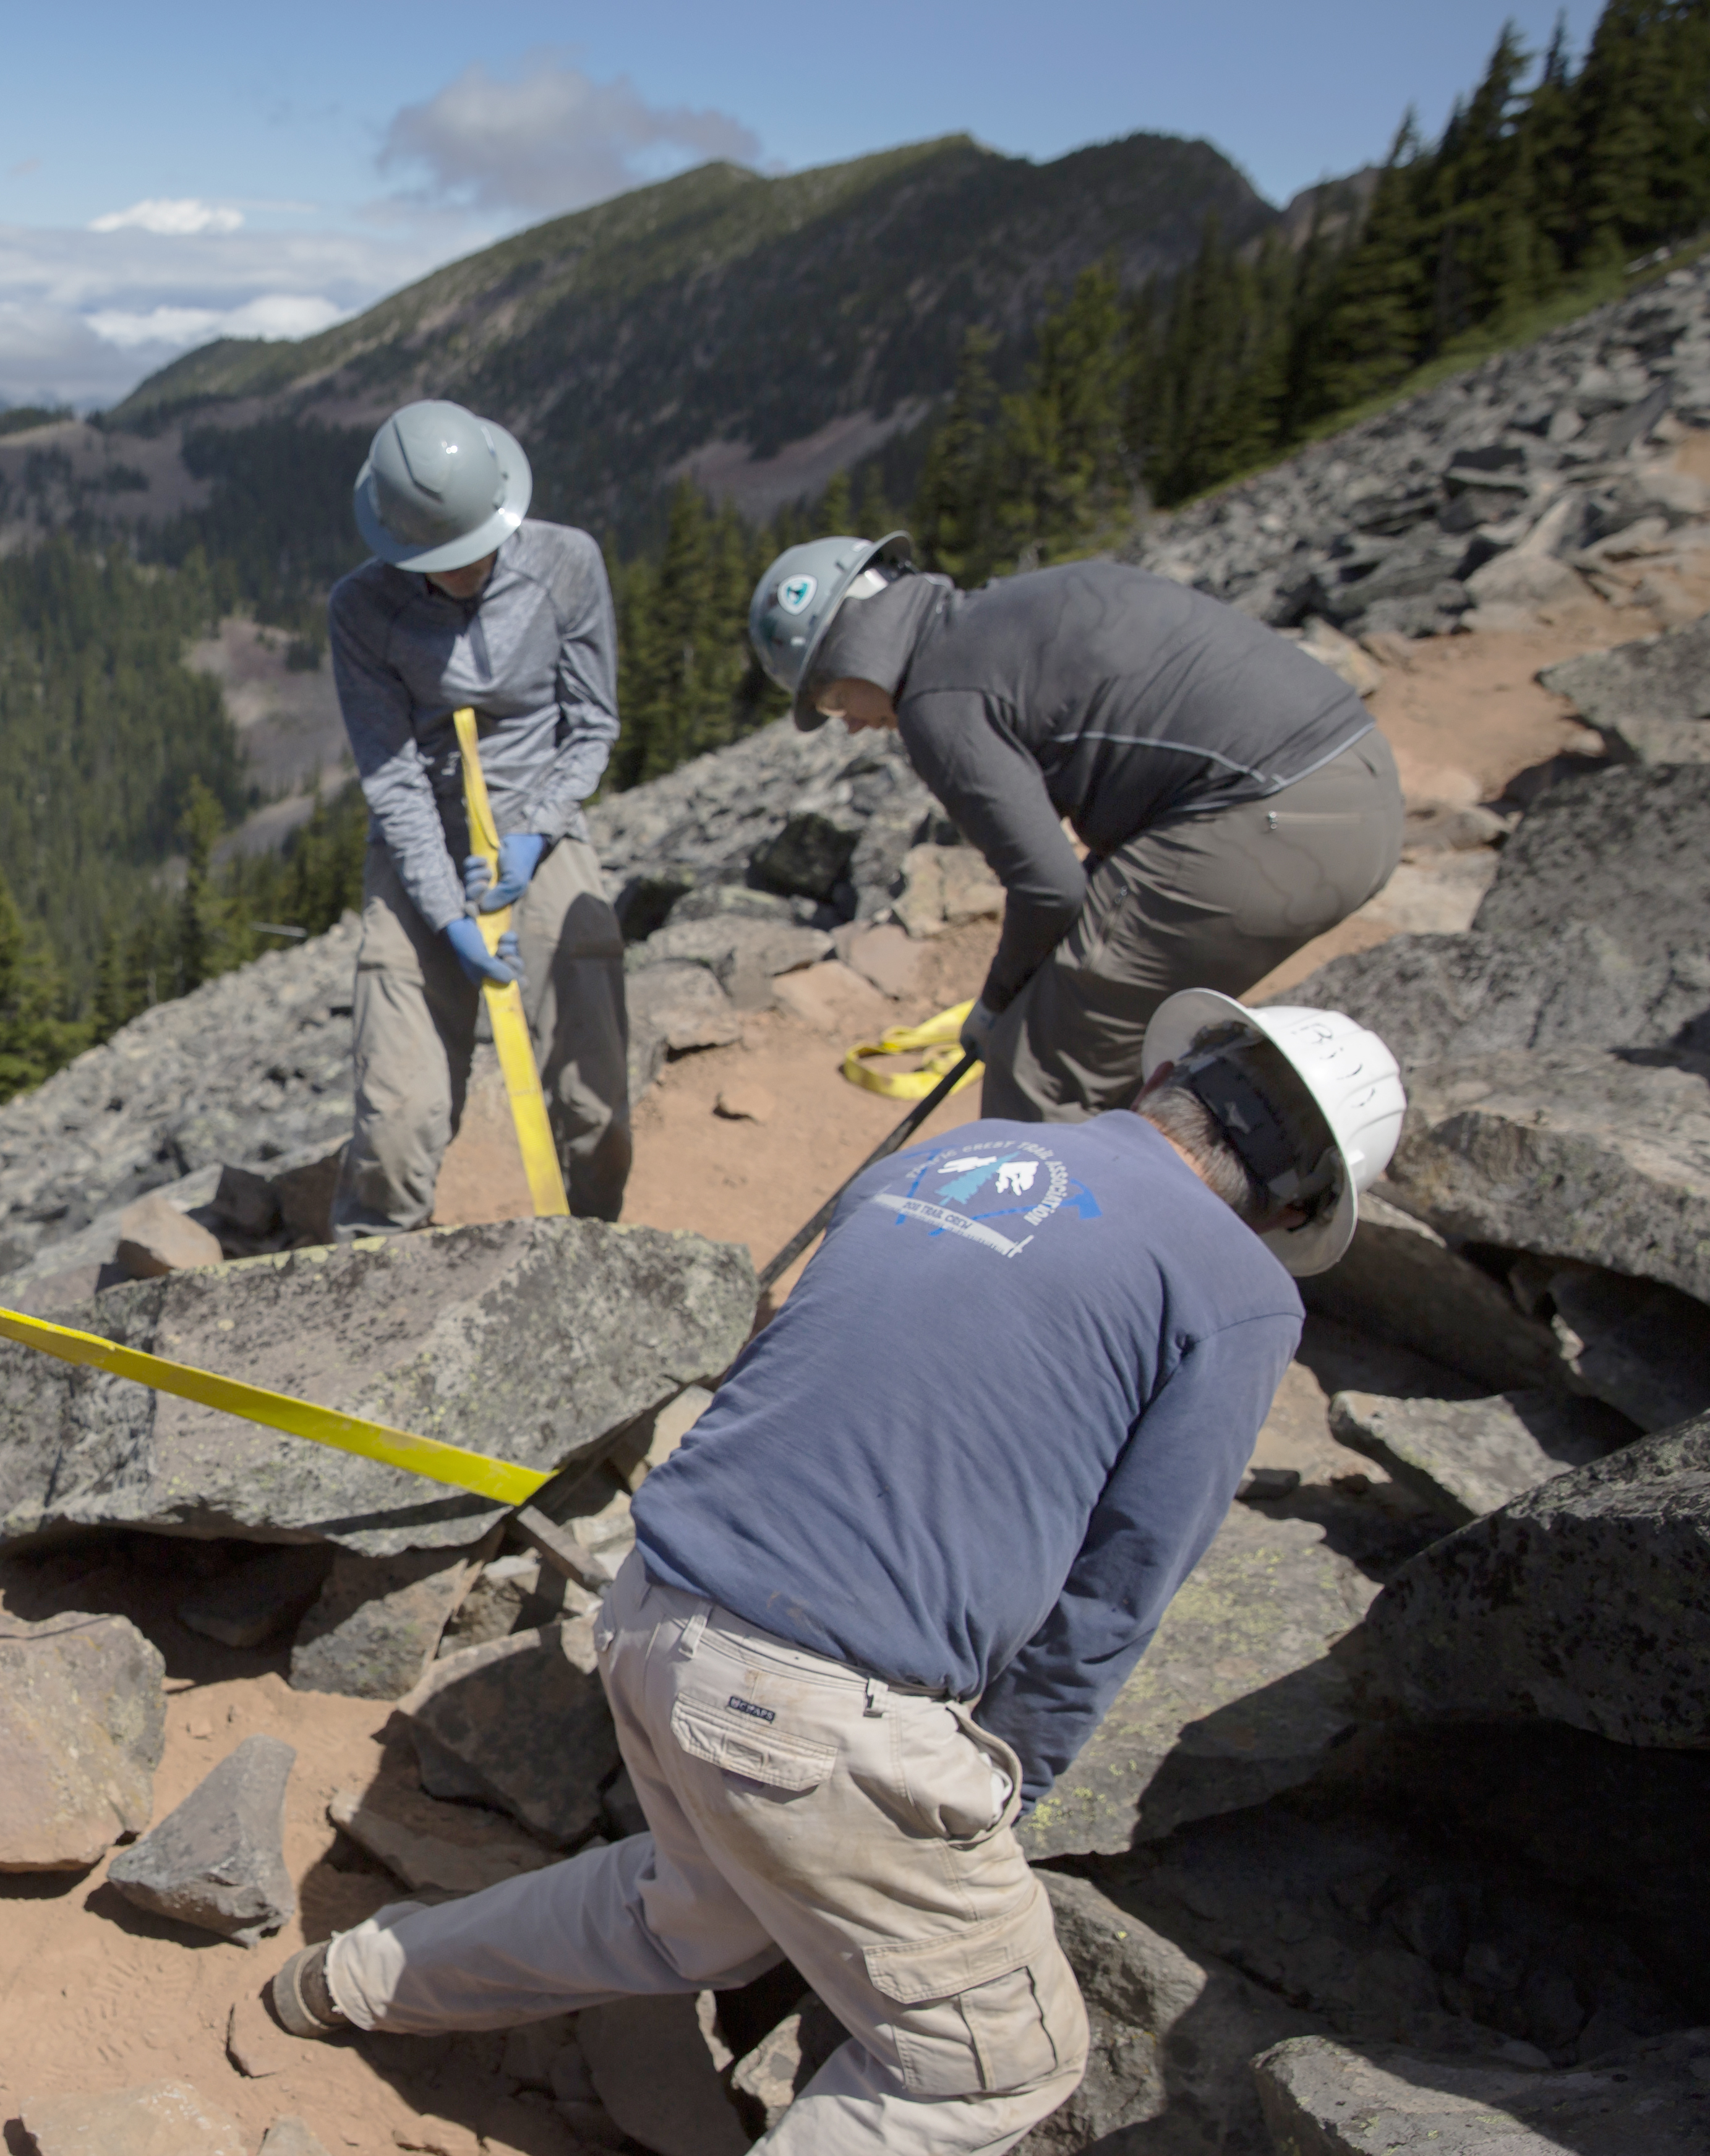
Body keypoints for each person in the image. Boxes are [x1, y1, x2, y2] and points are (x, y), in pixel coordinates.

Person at [263, 994, 1408, 2155]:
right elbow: (1122, 1584)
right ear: (1301, 1202)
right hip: (814, 1695)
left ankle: (342, 1980)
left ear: (1173, 1071)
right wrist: (1009, 1778)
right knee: (996, 2067)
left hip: (658, 1601)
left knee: (693, 1915)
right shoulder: (1242, 1291)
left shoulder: (961, 1151)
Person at [750, 536, 1403, 1124]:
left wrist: (995, 1005)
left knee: (1036, 1070)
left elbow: (1048, 886)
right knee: (1108, 1024)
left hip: (1270, 822)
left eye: (831, 699)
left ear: (854, 650)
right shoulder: (1032, 595)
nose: (850, 723)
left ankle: (1046, 1250)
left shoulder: (936, 701)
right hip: (1359, 777)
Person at [327, 398, 635, 1234]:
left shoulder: (567, 564)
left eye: (476, 551)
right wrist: (445, 912)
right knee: (396, 1125)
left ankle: (594, 1257)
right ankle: (365, 1288)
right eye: (440, 559)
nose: (466, 571)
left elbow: (593, 724)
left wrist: (533, 832)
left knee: (594, 1102)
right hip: (420, 833)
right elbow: (390, 778)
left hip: (543, 821)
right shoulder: (360, 611)